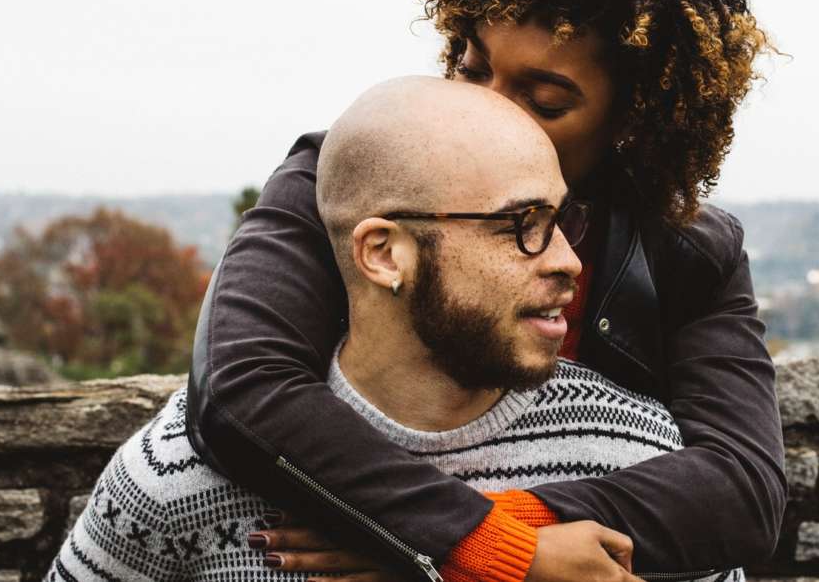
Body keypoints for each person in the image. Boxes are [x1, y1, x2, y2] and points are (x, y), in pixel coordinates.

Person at [189, 0, 787, 580]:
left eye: (544, 100)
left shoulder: (689, 251)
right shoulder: (347, 179)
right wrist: (468, 540)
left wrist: (485, 535)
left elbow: (743, 490)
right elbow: (241, 389)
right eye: (473, 69)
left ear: (631, 120)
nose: (486, 107)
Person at [47, 76, 744, 582]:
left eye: (562, 220)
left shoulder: (634, 454)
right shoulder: (178, 474)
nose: (568, 260)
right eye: (521, 225)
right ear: (383, 254)